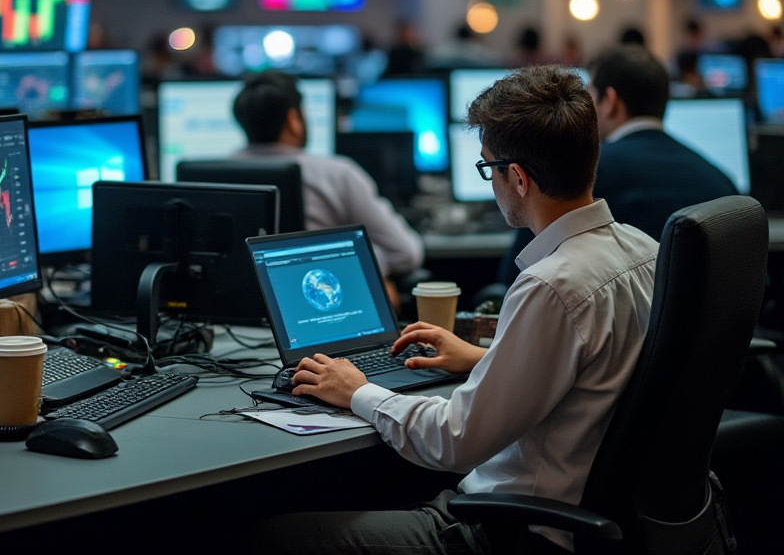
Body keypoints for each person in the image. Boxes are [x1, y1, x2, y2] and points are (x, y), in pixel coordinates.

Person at [244, 65, 657, 555]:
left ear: (518, 178)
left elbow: (454, 442)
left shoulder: (551, 285)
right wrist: (487, 356)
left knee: (266, 536)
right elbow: (600, 375)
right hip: (604, 516)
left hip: (514, 532)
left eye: (488, 168)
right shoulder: (644, 250)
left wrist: (360, 391)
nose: (490, 182)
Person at [497, 45, 737, 286]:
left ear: (610, 101)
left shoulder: (583, 170)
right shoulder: (719, 178)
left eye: (588, 96)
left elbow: (520, 270)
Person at [231, 70, 424, 300]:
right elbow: (405, 254)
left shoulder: (208, 176)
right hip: (324, 310)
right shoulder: (337, 174)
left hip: (230, 319)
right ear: (294, 121)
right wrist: (361, 259)